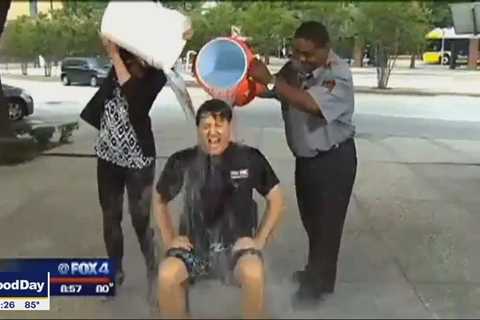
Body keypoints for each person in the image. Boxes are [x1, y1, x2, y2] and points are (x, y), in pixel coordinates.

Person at [248, 21, 357, 305]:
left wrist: (272, 81)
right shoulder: (296, 67)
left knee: (327, 226)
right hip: (307, 159)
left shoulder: (338, 75)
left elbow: (311, 104)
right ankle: (318, 273)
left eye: (307, 54)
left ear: (325, 48)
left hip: (334, 160)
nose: (300, 59)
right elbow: (272, 90)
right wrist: (243, 86)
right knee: (312, 222)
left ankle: (315, 287)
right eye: (296, 52)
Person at [153, 99, 284, 318]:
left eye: (218, 125)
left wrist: (259, 241)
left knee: (253, 272)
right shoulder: (181, 161)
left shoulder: (250, 158)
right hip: (195, 250)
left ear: (229, 127)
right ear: (197, 130)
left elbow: (277, 200)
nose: (212, 132)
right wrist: (169, 239)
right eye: (206, 126)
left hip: (236, 249)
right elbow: (159, 199)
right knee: (167, 274)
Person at [80, 38, 167, 305]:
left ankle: (155, 275)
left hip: (138, 158)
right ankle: (113, 273)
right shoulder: (122, 60)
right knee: (110, 218)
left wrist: (116, 57)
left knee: (141, 221)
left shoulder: (156, 74)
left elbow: (135, 100)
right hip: (108, 156)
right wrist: (116, 51)